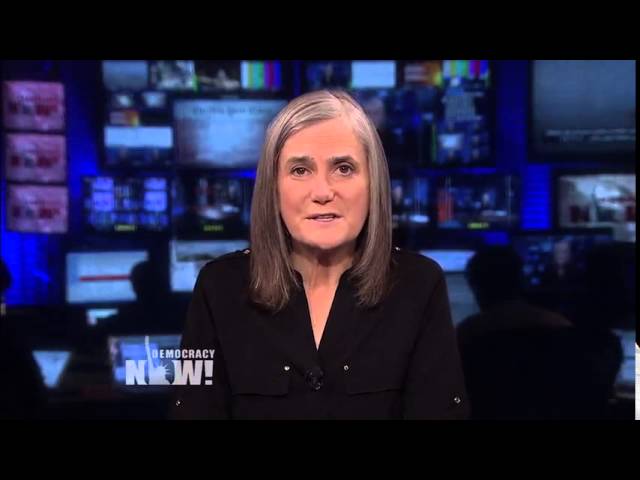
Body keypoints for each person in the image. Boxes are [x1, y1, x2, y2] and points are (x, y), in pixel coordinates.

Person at [171, 90, 468, 419]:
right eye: (300, 170)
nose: (323, 192)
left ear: (373, 184)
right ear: (273, 188)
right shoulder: (217, 287)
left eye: (344, 168)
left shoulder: (418, 285)